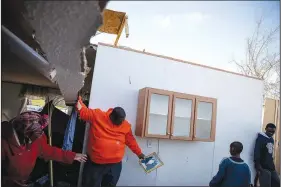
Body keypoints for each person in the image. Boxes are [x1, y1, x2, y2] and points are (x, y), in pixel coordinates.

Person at [1, 111, 87, 187]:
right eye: (34, 134)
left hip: (24, 181)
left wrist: (72, 156)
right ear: (23, 132)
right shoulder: (3, 143)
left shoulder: (35, 139)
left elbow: (47, 150)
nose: (37, 137)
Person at [76, 96, 145, 187]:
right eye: (118, 121)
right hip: (96, 164)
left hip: (115, 165)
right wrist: (78, 99)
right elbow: (83, 111)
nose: (120, 123)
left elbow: (131, 141)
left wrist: (139, 153)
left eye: (122, 121)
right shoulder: (98, 115)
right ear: (111, 116)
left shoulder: (126, 125)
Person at [254, 123, 280, 187]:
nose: (271, 133)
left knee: (277, 182)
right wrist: (258, 165)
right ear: (265, 129)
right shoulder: (260, 139)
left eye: (273, 132)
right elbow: (257, 152)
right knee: (266, 184)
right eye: (269, 131)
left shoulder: (271, 139)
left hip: (271, 166)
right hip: (263, 167)